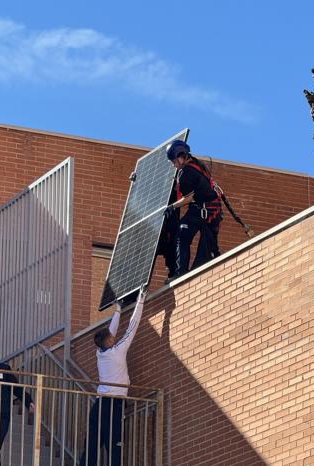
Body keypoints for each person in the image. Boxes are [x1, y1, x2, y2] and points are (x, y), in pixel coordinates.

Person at [78, 285, 148, 466]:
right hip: (114, 403)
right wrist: (140, 300)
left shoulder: (100, 352)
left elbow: (112, 330)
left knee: (93, 441)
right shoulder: (118, 351)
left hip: (100, 402)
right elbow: (132, 327)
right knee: (114, 442)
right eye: (111, 337)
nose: (113, 337)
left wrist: (118, 308)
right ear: (108, 342)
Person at [164, 140, 223, 279]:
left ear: (181, 155)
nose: (174, 165)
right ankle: (185, 275)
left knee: (182, 236)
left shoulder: (186, 173)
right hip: (211, 210)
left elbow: (189, 197)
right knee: (202, 249)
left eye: (174, 161)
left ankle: (181, 275)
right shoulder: (196, 163)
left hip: (204, 211)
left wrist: (172, 206)